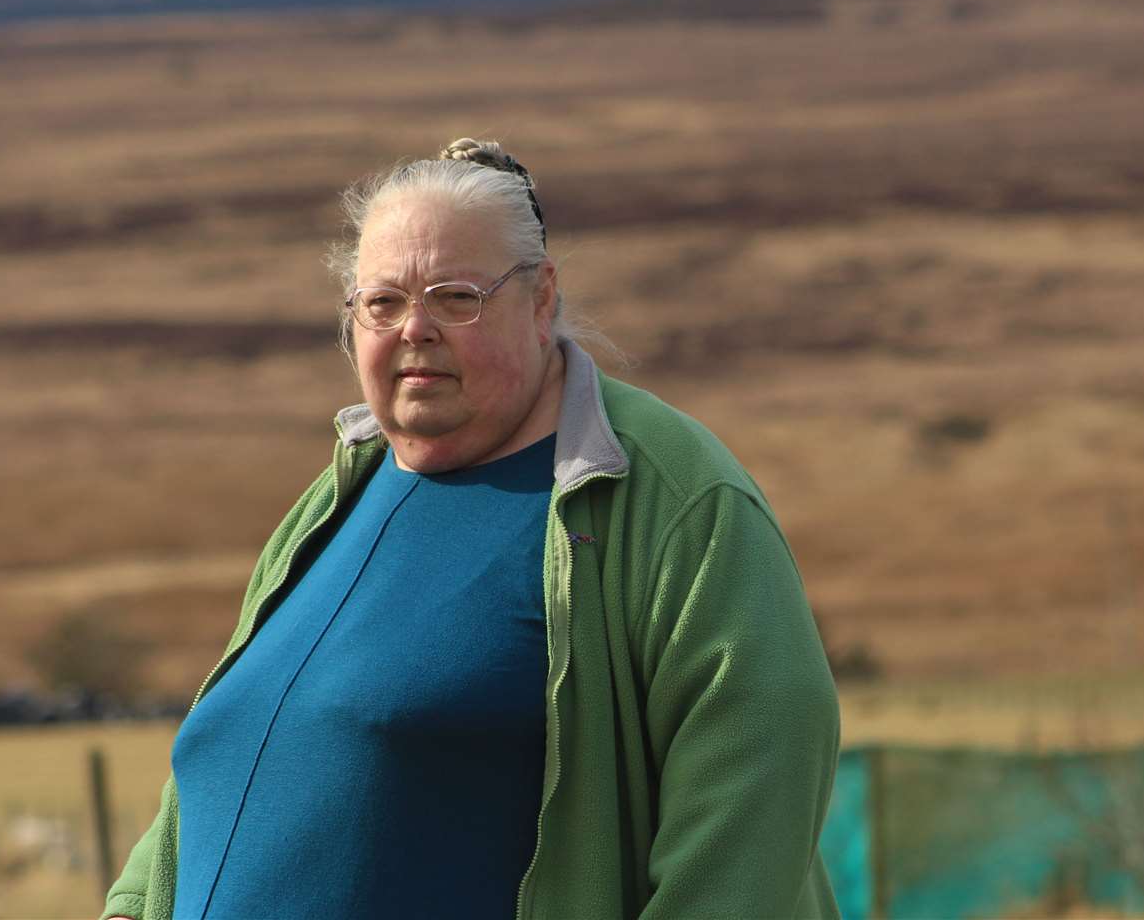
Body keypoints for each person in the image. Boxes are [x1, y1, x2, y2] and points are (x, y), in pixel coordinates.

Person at [103, 138, 842, 920]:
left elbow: (759, 787)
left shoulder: (665, 493)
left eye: (455, 297)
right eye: (381, 303)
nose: (413, 328)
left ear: (541, 297)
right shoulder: (334, 498)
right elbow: (228, 753)